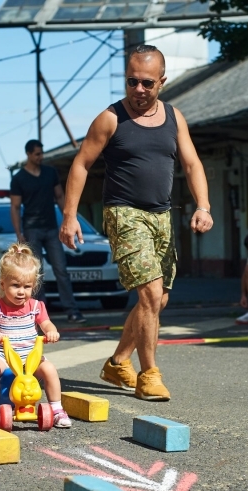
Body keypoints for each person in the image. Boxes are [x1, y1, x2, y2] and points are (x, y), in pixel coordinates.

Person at [59, 45, 214, 402]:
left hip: (162, 215)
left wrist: (203, 206)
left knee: (159, 300)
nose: (138, 90)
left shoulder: (175, 117)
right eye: (132, 82)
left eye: (147, 83)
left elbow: (191, 165)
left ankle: (117, 362)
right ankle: (149, 375)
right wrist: (69, 216)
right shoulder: (111, 119)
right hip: (124, 212)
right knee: (149, 293)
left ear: (162, 81)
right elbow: (81, 164)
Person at [0, 243, 71, 428]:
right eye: (15, 286)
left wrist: (51, 331)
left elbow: (46, 323)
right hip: (4, 355)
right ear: (3, 284)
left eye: (27, 287)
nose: (21, 291)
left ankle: (57, 409)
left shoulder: (36, 306)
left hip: (30, 356)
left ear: (34, 286)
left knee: (49, 369)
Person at [11, 139, 86, 324]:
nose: (40, 157)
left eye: (41, 153)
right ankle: (39, 314)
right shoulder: (19, 178)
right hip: (31, 229)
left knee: (61, 269)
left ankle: (72, 310)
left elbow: (60, 196)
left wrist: (69, 219)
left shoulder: (50, 173)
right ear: (28, 154)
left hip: (51, 228)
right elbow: (14, 207)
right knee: (36, 272)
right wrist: (19, 233)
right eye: (37, 154)